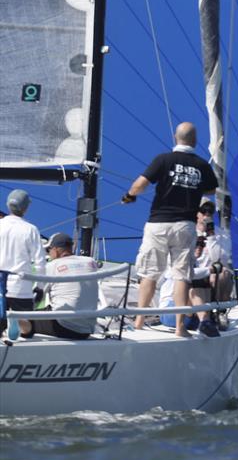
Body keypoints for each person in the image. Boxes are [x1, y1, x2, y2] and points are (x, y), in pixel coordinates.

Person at [122, 122, 219, 337]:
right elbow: (212, 188)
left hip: (158, 223)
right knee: (181, 276)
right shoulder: (202, 165)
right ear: (194, 140)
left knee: (150, 273)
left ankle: (138, 323)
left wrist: (129, 196)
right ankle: (179, 327)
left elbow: (140, 184)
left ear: (176, 138)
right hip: (185, 225)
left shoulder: (163, 160)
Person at [19, 233, 100, 340]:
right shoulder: (91, 262)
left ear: (56, 250)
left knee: (23, 317)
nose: (49, 254)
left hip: (64, 327)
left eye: (49, 250)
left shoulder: (52, 266)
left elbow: (37, 296)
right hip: (87, 329)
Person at [0, 190, 47, 339]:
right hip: (21, 288)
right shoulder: (30, 229)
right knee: (28, 333)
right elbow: (40, 262)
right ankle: (17, 318)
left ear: (8, 205)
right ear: (26, 208)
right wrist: (39, 288)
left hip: (0, 287)